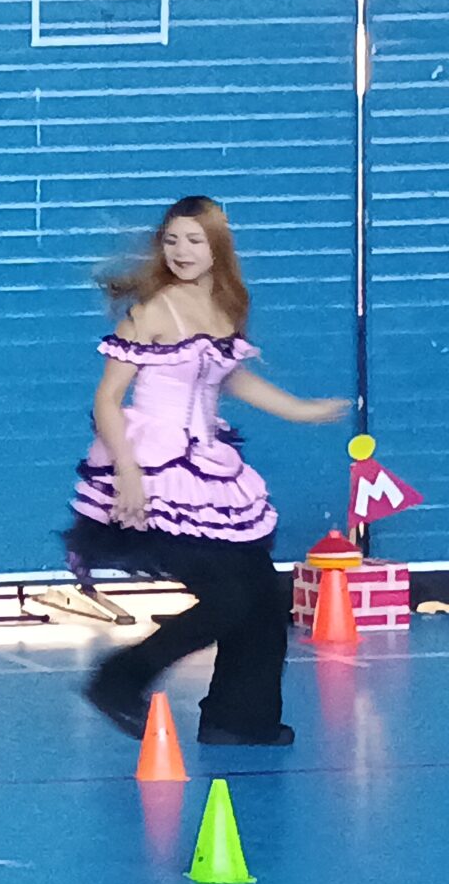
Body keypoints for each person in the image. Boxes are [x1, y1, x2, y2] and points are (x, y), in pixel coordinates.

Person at [68, 196, 348, 747]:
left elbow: (228, 377)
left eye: (194, 240)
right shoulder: (152, 310)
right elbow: (107, 398)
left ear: (217, 246)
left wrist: (301, 409)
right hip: (156, 469)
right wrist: (128, 472)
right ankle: (119, 679)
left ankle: (238, 719)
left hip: (208, 468)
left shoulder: (224, 305)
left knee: (263, 597)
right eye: (172, 240)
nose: (181, 251)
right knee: (228, 598)